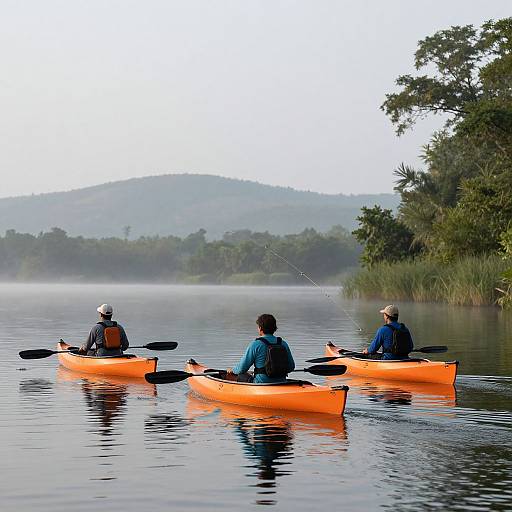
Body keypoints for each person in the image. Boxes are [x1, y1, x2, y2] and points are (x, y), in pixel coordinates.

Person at [226, 314, 295, 383]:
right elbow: (291, 367)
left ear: (260, 328)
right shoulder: (283, 343)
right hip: (282, 382)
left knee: (240, 375)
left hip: (261, 383)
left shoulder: (256, 344)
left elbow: (241, 369)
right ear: (274, 328)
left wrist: (232, 370)